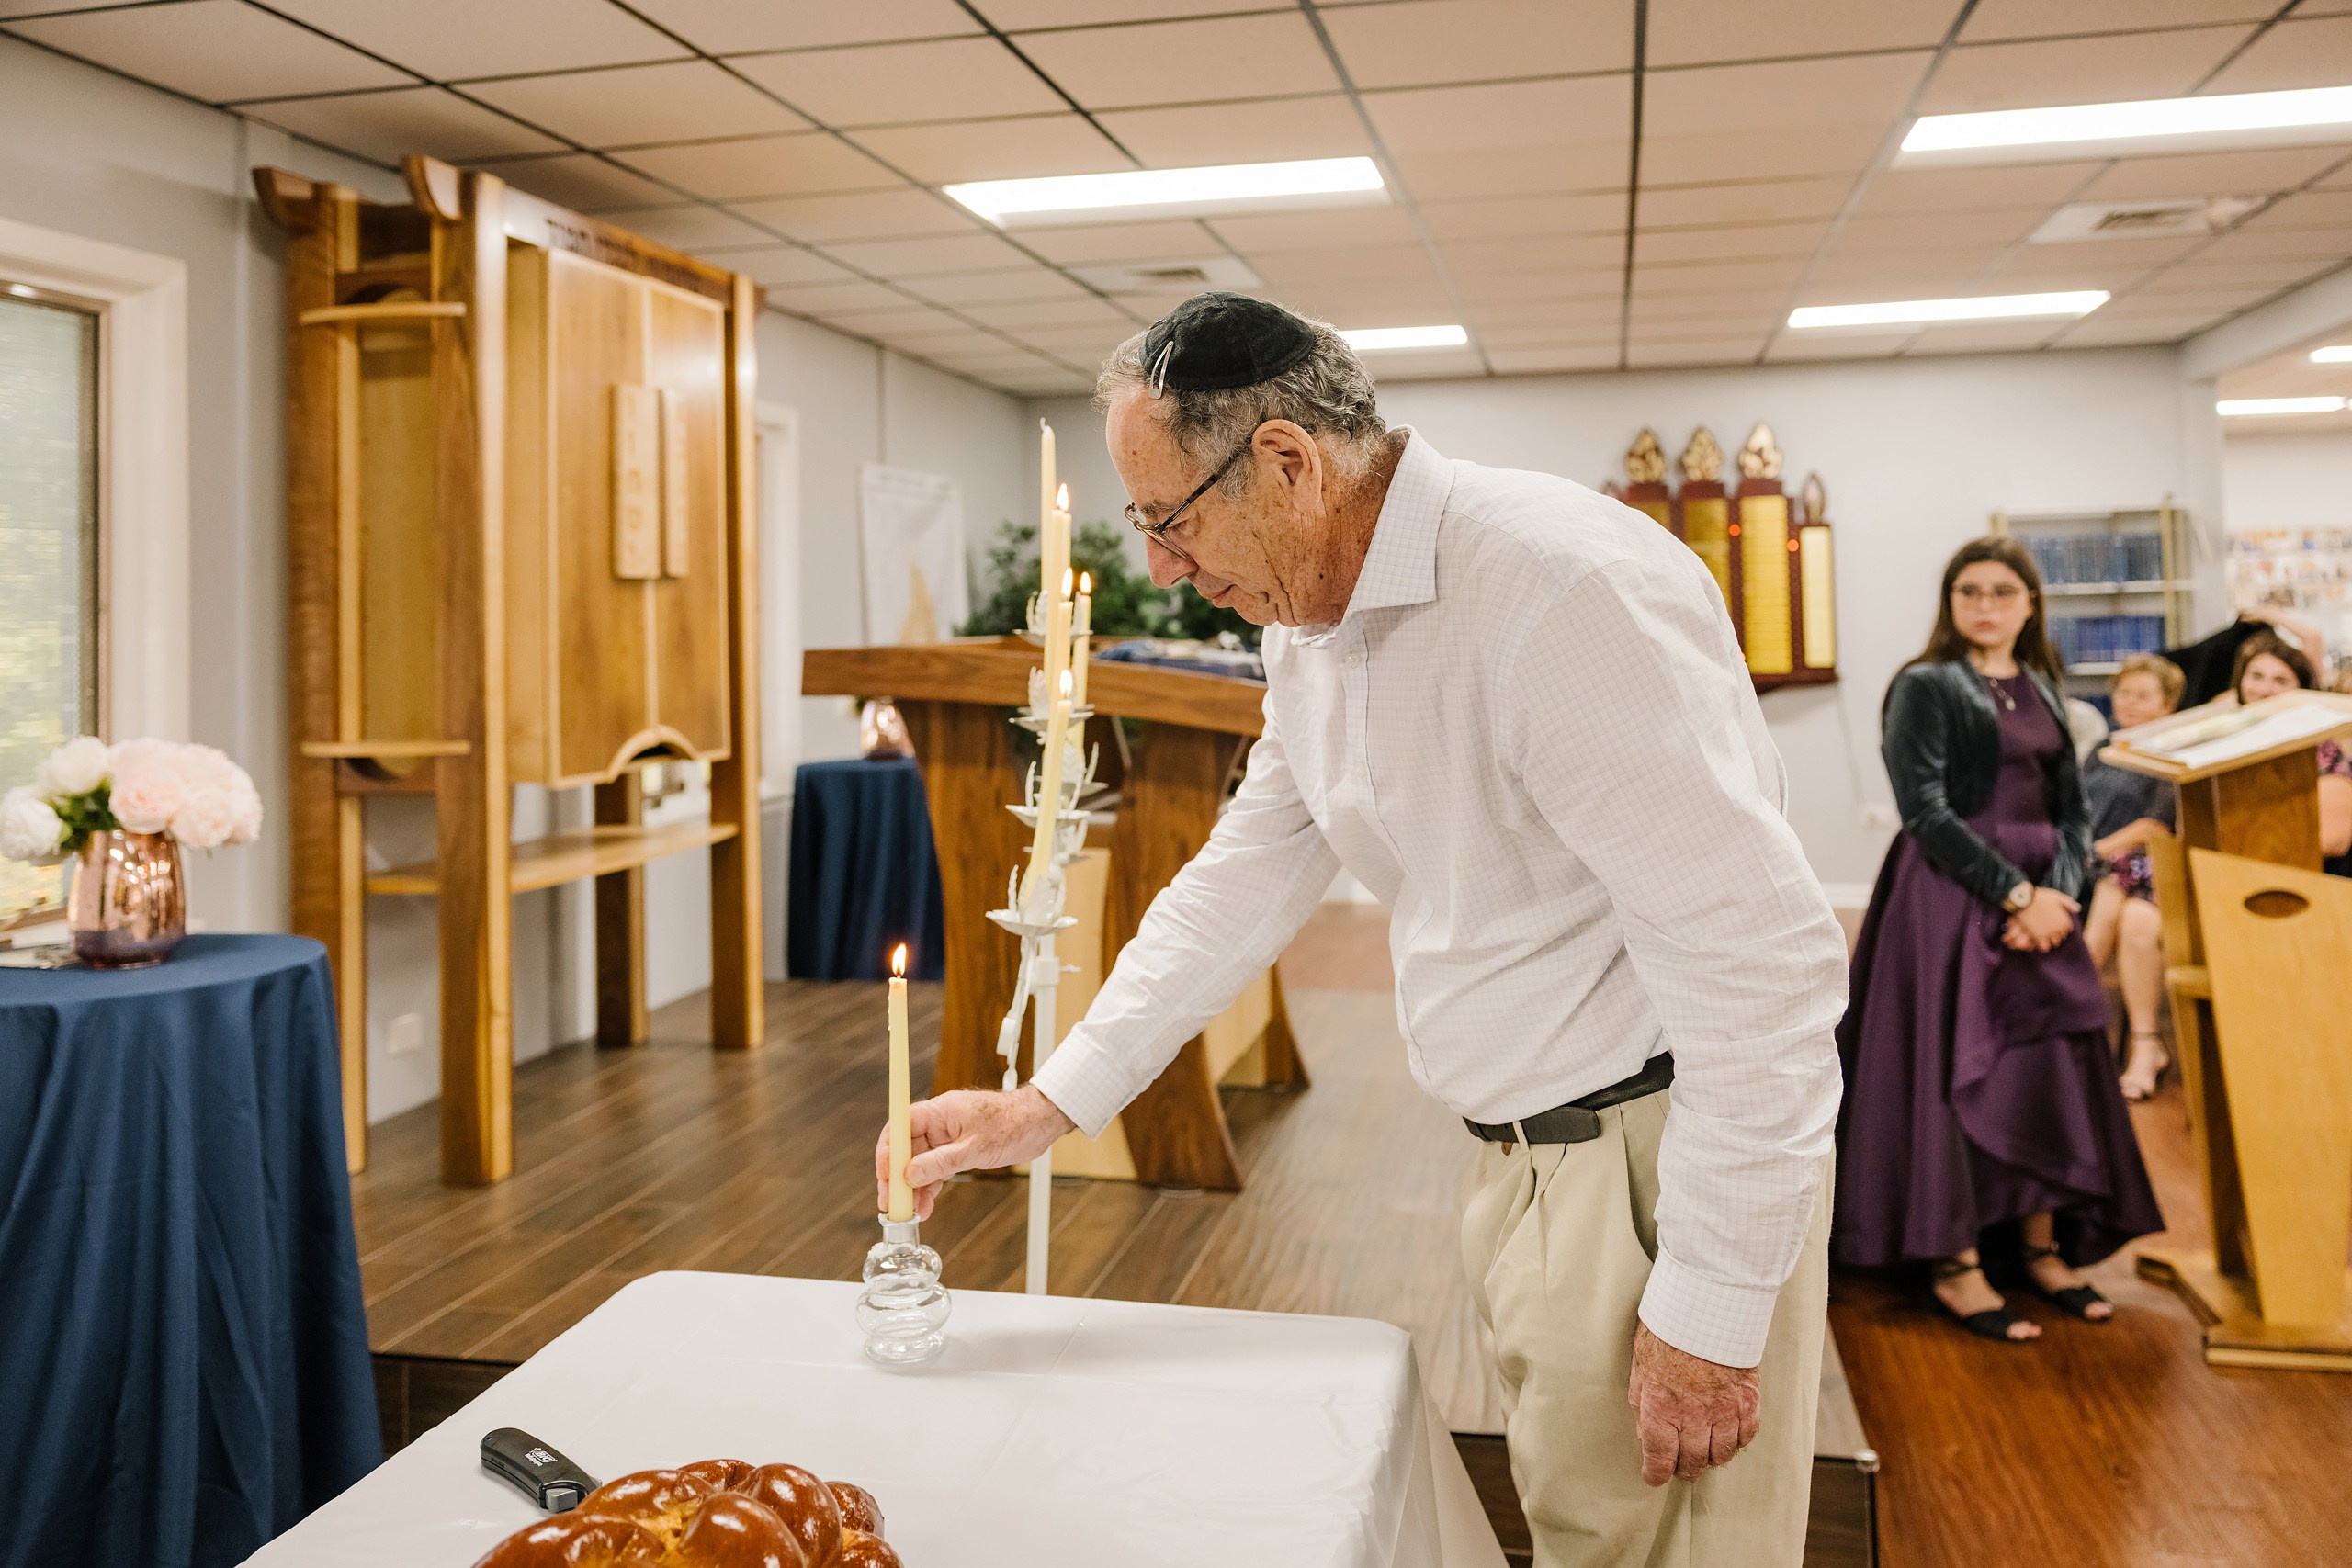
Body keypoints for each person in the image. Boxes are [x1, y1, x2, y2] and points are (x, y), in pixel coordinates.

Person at [876, 293, 1848, 1567]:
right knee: (1584, 1531)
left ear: (1286, 460)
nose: (1161, 566)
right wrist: (1044, 1102)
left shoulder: (1556, 588)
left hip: (1658, 1163)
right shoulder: (1309, 624)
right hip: (1530, 1162)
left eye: (1170, 517)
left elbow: (1761, 967)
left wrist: (1714, 1303)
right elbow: (1246, 874)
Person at [1834, 537, 2163, 1344]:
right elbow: (1924, 808)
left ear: (2029, 604)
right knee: (1954, 1073)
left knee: (2043, 1068)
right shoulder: (1924, 684)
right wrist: (2016, 893)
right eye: (1970, 591)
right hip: (1950, 898)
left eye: (2002, 591)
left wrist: (2060, 896)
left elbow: (2073, 810)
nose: (1986, 605)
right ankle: (1957, 1261)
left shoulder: (2045, 685)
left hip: (2044, 900)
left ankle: (2040, 1249)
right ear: (1951, 602)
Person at [2080, 654, 2184, 1100]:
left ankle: (2073, 1013)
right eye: (2124, 693)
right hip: (2092, 866)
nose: (2131, 703)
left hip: (2141, 866)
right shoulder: (2103, 749)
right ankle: (2115, 1039)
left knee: (2118, 892)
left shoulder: (2170, 751)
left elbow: (2156, 827)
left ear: (2168, 704)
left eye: (2144, 695)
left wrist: (2095, 851)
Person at [2231, 633, 2352, 875]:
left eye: (2281, 681)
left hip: (2309, 878)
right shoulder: (2230, 743)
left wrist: (2246, 854)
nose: (2265, 689)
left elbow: (2334, 839)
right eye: (2256, 676)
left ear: (2301, 691)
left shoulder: (2320, 748)